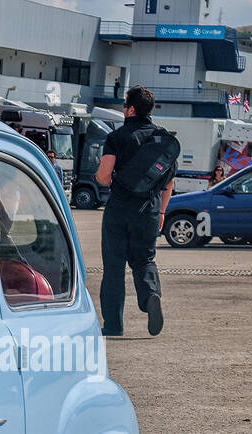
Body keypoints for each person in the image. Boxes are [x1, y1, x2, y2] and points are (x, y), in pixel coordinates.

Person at [95, 85, 175, 337]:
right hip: (149, 208)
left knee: (114, 267)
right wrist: (161, 212)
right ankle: (151, 295)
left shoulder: (116, 137)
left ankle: (113, 325)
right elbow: (169, 182)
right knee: (144, 260)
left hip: (119, 207)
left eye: (124, 104)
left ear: (130, 109)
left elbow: (104, 175)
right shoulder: (163, 140)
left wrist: (107, 180)